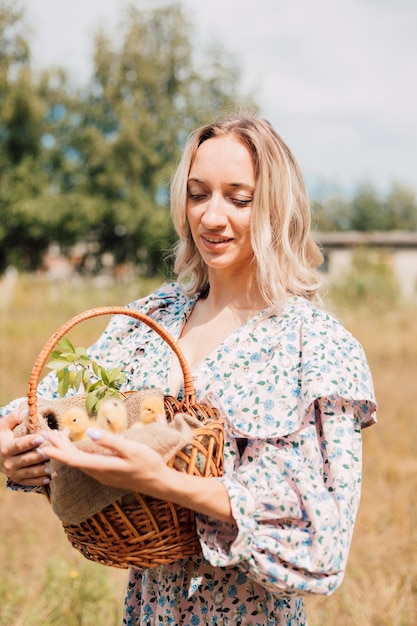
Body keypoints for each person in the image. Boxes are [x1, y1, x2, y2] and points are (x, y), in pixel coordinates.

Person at [0, 112, 376, 625]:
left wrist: (167, 483)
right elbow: (54, 406)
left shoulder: (317, 349)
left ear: (276, 207)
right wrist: (20, 448)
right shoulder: (150, 320)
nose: (212, 217)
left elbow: (322, 547)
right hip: (149, 611)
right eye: (198, 194)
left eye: (238, 199)